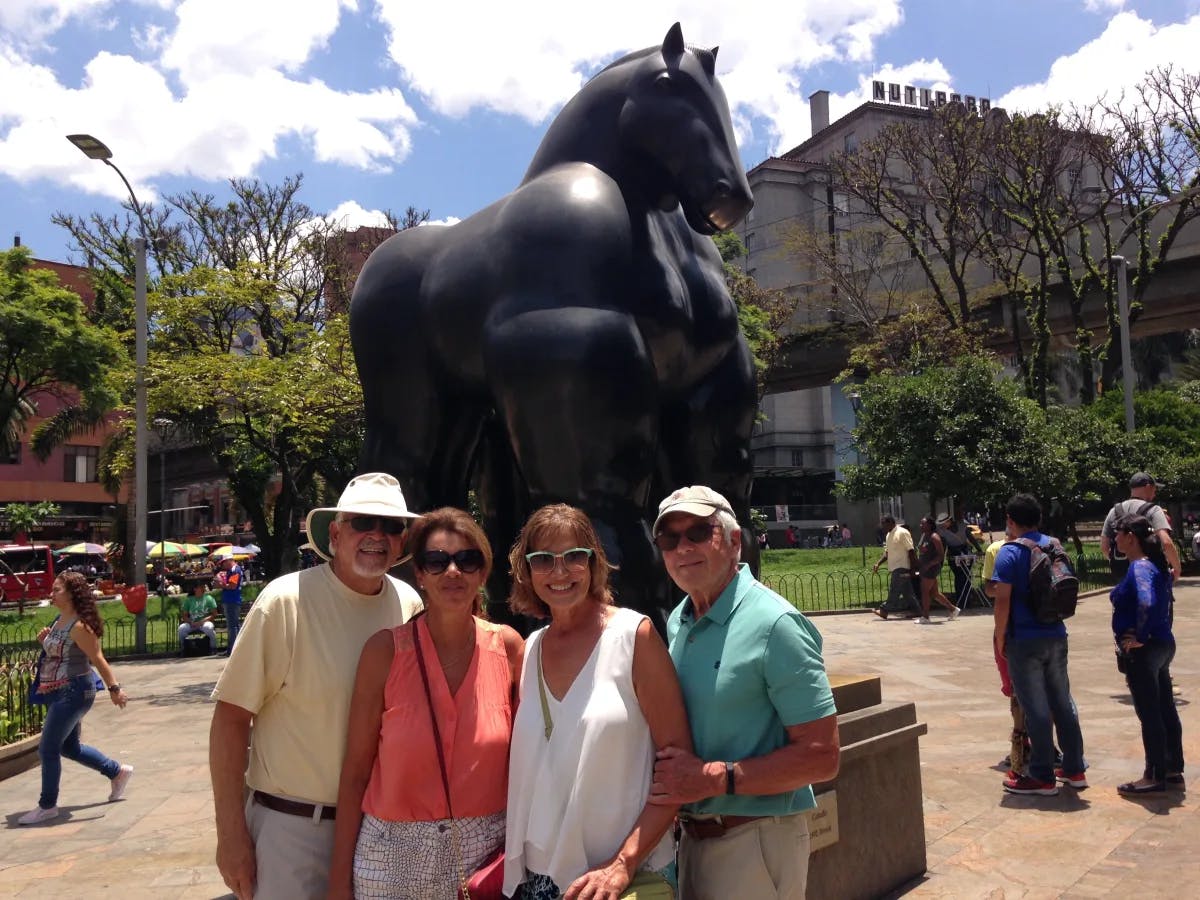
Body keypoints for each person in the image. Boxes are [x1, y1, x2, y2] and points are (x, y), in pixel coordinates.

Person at [209, 473, 424, 900]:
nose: (377, 536)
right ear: (337, 533)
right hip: (293, 830)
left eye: (392, 527)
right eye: (364, 522)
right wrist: (231, 834)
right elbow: (231, 720)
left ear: (402, 542)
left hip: (378, 829)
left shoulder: (409, 604)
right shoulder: (285, 602)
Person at [649, 486, 839, 900]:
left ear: (735, 541)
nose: (683, 547)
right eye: (669, 538)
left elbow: (822, 756)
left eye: (699, 532)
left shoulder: (776, 624)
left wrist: (712, 779)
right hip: (695, 841)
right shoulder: (681, 622)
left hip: (755, 840)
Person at [327, 508, 524, 899]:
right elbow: (355, 774)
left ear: (483, 573)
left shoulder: (508, 648)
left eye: (467, 560)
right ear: (419, 574)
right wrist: (338, 881)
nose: (453, 571)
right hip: (390, 858)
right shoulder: (385, 652)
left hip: (485, 859)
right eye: (437, 561)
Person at [504, 504, 692, 900]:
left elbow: (679, 769)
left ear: (594, 562)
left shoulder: (633, 637)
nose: (560, 572)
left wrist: (624, 863)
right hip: (539, 880)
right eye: (544, 559)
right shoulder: (530, 649)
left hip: (622, 878)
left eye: (574, 556)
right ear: (527, 569)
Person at [17, 571, 133, 825]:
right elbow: (58, 653)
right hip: (55, 690)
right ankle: (116, 771)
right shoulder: (60, 619)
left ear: (72, 594)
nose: (52, 593)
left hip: (74, 691)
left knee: (47, 749)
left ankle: (47, 805)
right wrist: (44, 640)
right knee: (69, 747)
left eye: (57, 589)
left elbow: (98, 659)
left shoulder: (80, 626)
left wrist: (115, 689)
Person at [991, 493, 1086, 796]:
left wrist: (1000, 635)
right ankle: (1074, 769)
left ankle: (1042, 775)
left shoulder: (1010, 552)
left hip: (1025, 640)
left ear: (1010, 520)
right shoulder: (1054, 545)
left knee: (1036, 709)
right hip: (1056, 632)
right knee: (1063, 702)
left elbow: (1002, 599)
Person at [1109, 514, 1184, 794]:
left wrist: (1139, 637)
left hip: (1147, 650)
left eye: (1118, 533)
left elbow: (1148, 602)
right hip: (1163, 645)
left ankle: (1154, 774)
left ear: (1131, 537)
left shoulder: (1140, 568)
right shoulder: (1154, 566)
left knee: (1149, 712)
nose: (1115, 538)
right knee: (1165, 707)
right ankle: (1173, 767)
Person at [1101, 473, 1181, 581]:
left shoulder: (1114, 511)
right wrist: (1177, 569)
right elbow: (1166, 543)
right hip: (1150, 576)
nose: (1154, 495)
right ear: (1148, 487)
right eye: (1154, 490)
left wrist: (1122, 564)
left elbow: (1105, 548)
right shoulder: (1154, 510)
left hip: (1124, 578)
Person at [872, 515, 920, 620]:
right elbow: (887, 553)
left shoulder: (902, 532)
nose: (882, 527)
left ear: (891, 523)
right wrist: (878, 563)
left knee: (894, 590)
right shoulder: (888, 535)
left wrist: (913, 568)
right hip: (894, 567)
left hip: (902, 566)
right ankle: (917, 611)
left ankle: (884, 610)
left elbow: (911, 550)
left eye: (884, 524)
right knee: (908, 592)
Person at [917, 516, 959, 624]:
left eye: (923, 524)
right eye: (920, 523)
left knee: (925, 591)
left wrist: (929, 564)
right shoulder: (924, 536)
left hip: (931, 568)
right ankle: (953, 609)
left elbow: (940, 555)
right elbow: (921, 550)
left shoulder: (934, 537)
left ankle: (925, 617)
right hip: (924, 567)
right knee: (934, 593)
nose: (920, 526)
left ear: (930, 525)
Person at [936, 511, 982, 607]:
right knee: (959, 577)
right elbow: (944, 546)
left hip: (965, 551)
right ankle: (960, 600)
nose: (943, 525)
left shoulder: (962, 526)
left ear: (949, 521)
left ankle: (967, 600)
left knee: (967, 577)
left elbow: (971, 537)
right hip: (953, 553)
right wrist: (941, 560)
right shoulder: (942, 531)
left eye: (944, 523)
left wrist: (979, 549)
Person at [216, 555, 245, 655]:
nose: (223, 565)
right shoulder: (231, 571)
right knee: (234, 625)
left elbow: (232, 586)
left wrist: (220, 585)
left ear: (229, 561)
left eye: (223, 563)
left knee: (232, 626)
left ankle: (232, 650)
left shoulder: (235, 570)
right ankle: (236, 649)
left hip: (232, 600)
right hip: (231, 600)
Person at [178, 580, 218, 653]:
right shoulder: (189, 600)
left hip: (204, 622)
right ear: (195, 589)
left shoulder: (209, 598)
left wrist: (202, 621)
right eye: (201, 587)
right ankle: (183, 648)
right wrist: (190, 622)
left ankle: (213, 647)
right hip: (192, 623)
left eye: (203, 587)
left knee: (208, 628)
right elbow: (184, 616)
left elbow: (214, 614)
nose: (203, 588)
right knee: (181, 629)